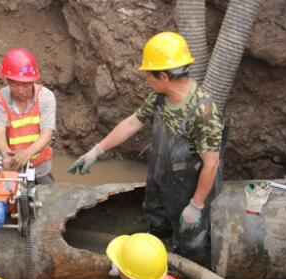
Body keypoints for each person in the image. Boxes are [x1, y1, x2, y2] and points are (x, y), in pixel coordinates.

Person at [69, 32, 224, 262]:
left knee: (190, 241)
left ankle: (185, 275)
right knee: (157, 223)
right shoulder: (160, 98)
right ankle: (155, 253)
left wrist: (196, 205)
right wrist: (97, 151)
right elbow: (132, 122)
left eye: (148, 74)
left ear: (163, 76)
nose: (146, 79)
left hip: (188, 191)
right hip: (160, 179)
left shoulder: (203, 112)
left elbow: (211, 164)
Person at [0, 48, 56, 184]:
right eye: (15, 85)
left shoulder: (45, 97)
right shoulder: (1, 98)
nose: (21, 91)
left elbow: (47, 134)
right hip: (14, 163)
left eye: (25, 85)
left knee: (46, 195)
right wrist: (5, 153)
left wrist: (28, 153)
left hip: (40, 163)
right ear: (8, 81)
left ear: (32, 81)